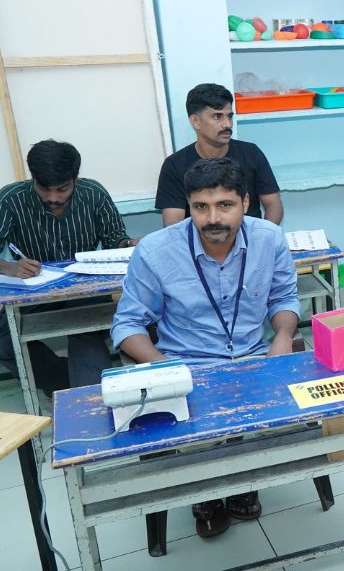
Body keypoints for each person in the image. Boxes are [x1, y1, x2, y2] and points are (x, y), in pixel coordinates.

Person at [113, 158, 312, 539]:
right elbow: (127, 324)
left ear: (246, 203)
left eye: (225, 205)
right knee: (199, 421)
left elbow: (284, 298)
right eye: (200, 207)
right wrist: (164, 367)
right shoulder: (156, 251)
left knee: (300, 415)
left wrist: (283, 337)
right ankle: (204, 493)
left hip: (255, 358)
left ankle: (240, 479)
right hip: (187, 365)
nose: (212, 218)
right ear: (188, 206)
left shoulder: (268, 238)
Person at [0, 139, 135, 391]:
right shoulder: (11, 199)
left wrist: (127, 244)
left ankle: (89, 404)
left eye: (62, 189)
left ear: (75, 178)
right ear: (33, 179)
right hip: (33, 290)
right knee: (0, 345)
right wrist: (8, 268)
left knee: (86, 337)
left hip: (85, 290)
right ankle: (64, 388)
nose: (53, 198)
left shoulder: (93, 194)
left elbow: (114, 238)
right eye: (44, 189)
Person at [155, 83, 283, 227]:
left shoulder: (251, 153)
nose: (227, 124)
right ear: (196, 121)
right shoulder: (175, 165)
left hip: (248, 241)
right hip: (201, 244)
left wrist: (263, 236)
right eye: (217, 117)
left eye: (229, 116)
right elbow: (173, 223)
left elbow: (273, 204)